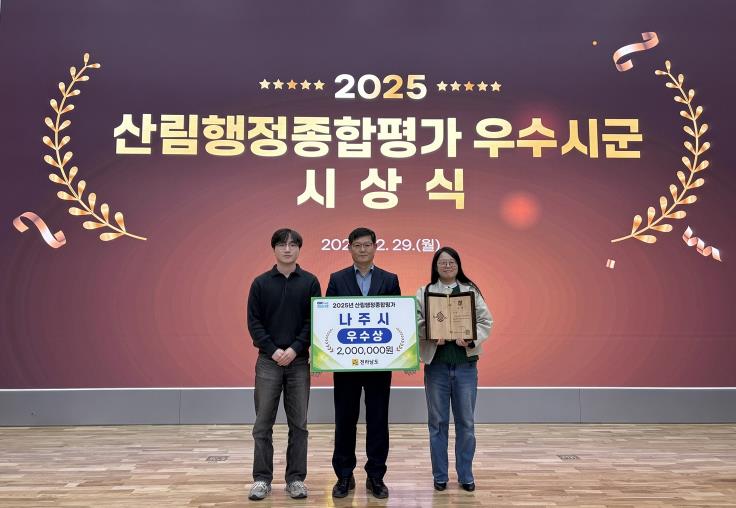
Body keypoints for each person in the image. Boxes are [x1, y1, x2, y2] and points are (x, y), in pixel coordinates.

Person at [246, 228, 321, 501]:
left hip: (298, 362)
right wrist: (274, 350)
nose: (287, 249)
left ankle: (296, 479)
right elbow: (254, 322)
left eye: (292, 245)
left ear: (299, 249)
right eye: (282, 244)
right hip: (268, 362)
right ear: (274, 249)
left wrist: (295, 348)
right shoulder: (260, 283)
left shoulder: (310, 282)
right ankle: (262, 479)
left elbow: (314, 320)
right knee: (262, 424)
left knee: (299, 425)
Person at [327, 227, 401, 499]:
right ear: (349, 248)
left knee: (378, 420)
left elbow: (397, 318)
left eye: (367, 245)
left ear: (375, 247)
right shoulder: (337, 279)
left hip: (379, 365)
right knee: (345, 420)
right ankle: (344, 476)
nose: (362, 249)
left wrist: (403, 354)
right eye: (357, 245)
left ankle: (376, 476)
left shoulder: (389, 279)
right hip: (345, 365)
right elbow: (328, 319)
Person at [415, 247, 493, 492]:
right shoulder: (425, 292)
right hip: (436, 367)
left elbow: (486, 321)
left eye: (451, 262)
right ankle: (440, 476)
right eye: (442, 262)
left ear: (458, 265)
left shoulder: (470, 291)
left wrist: (471, 339)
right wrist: (430, 334)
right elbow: (415, 321)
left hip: (465, 367)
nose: (447, 266)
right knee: (437, 423)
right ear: (435, 266)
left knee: (466, 423)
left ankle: (466, 475)